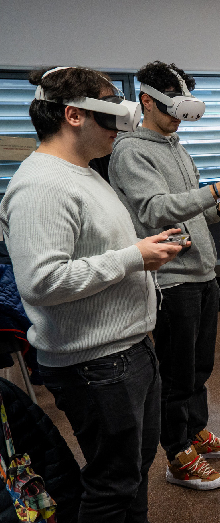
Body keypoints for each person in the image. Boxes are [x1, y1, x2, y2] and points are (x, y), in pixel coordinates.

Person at [0, 66, 184, 523]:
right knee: (112, 485)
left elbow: (96, 250)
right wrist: (133, 257)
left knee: (132, 473)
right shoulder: (42, 185)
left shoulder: (83, 173)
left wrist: (142, 250)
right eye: (110, 117)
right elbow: (41, 282)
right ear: (73, 115)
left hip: (127, 350)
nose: (120, 128)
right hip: (96, 364)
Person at [108, 61, 220, 490]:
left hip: (202, 273)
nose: (178, 119)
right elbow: (154, 210)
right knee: (176, 375)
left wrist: (219, 208)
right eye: (171, 109)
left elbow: (189, 209)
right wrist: (213, 190)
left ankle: (196, 433)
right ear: (146, 101)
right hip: (171, 280)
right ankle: (177, 455)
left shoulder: (175, 146)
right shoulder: (130, 151)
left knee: (198, 367)